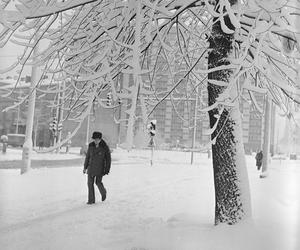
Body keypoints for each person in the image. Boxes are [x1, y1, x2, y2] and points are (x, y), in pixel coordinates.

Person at [83, 131, 111, 204]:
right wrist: (85, 167)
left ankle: (103, 192)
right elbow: (87, 157)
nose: (96, 141)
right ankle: (91, 200)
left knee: (98, 182)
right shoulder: (91, 146)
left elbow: (108, 159)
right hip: (91, 167)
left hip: (100, 168)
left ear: (100, 139)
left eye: (97, 139)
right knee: (90, 183)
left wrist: (107, 169)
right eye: (94, 139)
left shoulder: (104, 147)